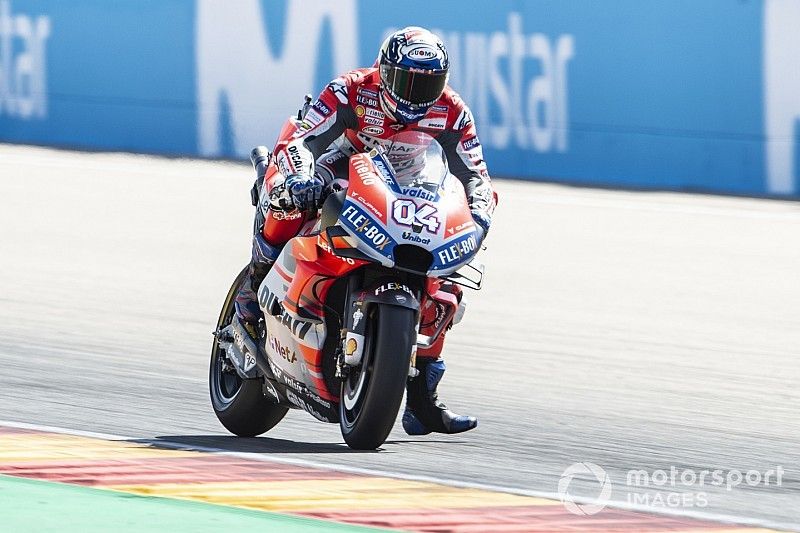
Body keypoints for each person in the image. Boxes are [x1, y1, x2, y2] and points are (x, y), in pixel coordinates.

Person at [235, 26, 496, 435]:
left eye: (428, 83)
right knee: (288, 198)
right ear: (385, 71)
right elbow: (305, 138)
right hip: (336, 172)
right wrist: (302, 175)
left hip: (407, 194)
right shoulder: (351, 90)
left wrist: (478, 217)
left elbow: (475, 176)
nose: (416, 93)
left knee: (449, 273)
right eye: (407, 81)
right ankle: (252, 291)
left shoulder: (452, 111)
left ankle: (421, 400)